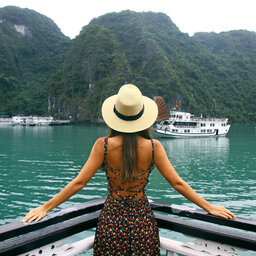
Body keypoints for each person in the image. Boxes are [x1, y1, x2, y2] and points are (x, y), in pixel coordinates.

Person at [23, 84, 235, 255]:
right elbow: (177, 183)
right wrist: (209, 207)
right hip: (142, 221)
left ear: (115, 116)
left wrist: (46, 207)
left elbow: (79, 182)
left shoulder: (103, 145)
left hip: (111, 221)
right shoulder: (154, 147)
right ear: (142, 117)